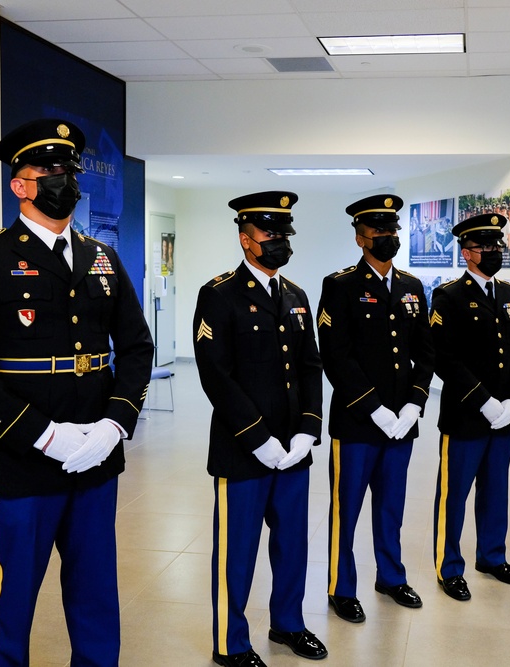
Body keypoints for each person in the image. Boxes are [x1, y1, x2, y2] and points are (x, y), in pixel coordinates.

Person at [0, 118, 154, 667]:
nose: (64, 180)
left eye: (69, 171)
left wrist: (115, 424)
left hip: (94, 457)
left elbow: (135, 346)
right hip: (21, 462)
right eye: (48, 170)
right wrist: (43, 435)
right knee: (11, 603)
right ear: (20, 185)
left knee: (96, 593)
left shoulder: (102, 257)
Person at [193, 191, 327, 667]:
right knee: (237, 552)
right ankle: (230, 642)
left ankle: (288, 623)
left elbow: (311, 367)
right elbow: (215, 375)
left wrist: (309, 429)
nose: (279, 243)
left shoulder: (295, 295)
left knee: (293, 543)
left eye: (284, 234)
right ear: (246, 239)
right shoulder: (219, 294)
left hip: (293, 450)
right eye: (271, 235)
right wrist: (259, 438)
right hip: (243, 449)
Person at [318, 195, 435, 623]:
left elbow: (426, 350)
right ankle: (340, 586)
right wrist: (375, 409)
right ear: (360, 238)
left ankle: (391, 576)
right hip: (357, 424)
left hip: (402, 423)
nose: (388, 239)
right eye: (379, 232)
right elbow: (336, 356)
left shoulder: (411, 287)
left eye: (393, 232)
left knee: (391, 507)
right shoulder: (341, 285)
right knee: (345, 511)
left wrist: (415, 404)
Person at [430, 213, 510, 601]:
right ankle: (449, 565)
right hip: (467, 415)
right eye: (485, 247)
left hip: (505, 415)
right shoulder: (449, 297)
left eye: (497, 247)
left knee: (495, 492)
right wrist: (484, 401)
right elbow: (445, 357)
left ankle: (492, 556)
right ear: (467, 253)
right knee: (454, 494)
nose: (493, 253)